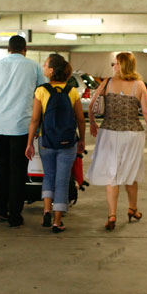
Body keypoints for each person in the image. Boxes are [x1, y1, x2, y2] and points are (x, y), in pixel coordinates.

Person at [87, 51, 147, 230]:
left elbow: (91, 105)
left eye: (115, 63)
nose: (113, 67)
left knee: (113, 175)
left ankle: (112, 215)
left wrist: (93, 124)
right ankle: (133, 209)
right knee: (131, 174)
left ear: (122, 65)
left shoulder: (107, 83)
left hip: (109, 132)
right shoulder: (139, 85)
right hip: (132, 134)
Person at [0, 35, 46, 227]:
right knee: (18, 169)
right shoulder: (33, 66)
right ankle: (15, 215)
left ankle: (0, 209)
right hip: (21, 125)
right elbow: (41, 93)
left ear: (8, 49)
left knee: (2, 165)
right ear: (24, 49)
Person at [24, 54, 85, 233]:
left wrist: (29, 143)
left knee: (49, 176)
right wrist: (82, 139)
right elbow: (80, 119)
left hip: (46, 141)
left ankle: (46, 210)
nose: (43, 66)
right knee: (62, 180)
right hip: (68, 143)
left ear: (51, 70)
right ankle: (58, 221)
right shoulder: (72, 91)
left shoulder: (41, 91)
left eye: (45, 64)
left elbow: (35, 120)